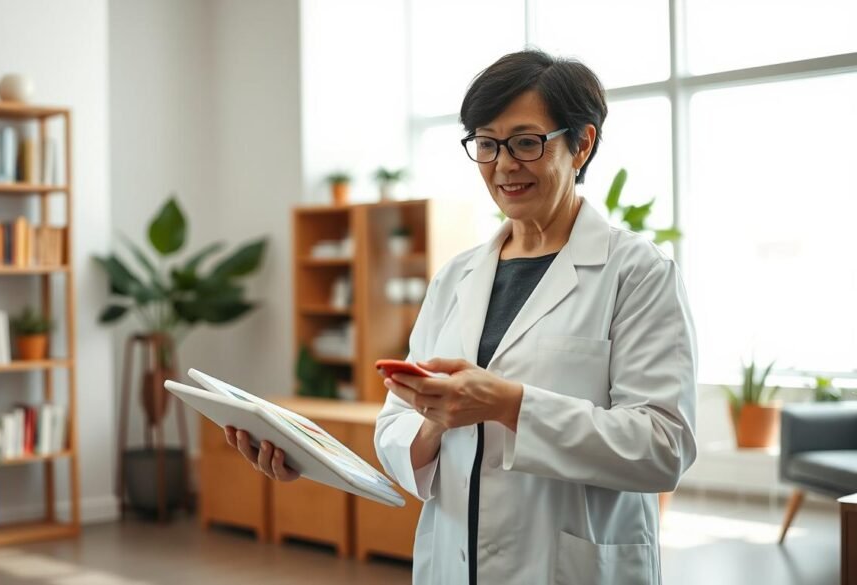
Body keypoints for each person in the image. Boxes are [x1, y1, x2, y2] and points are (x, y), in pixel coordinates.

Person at [227, 49, 697, 585]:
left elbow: (665, 446)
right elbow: (395, 424)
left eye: (525, 142)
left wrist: (509, 405)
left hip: (569, 568)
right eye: (486, 143)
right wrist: (313, 454)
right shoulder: (456, 278)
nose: (502, 165)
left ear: (581, 143)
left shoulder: (636, 273)